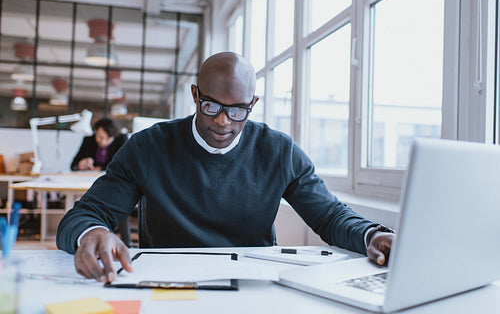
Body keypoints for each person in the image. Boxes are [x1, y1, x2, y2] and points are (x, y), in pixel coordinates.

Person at [57, 52, 394, 283]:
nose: (222, 121)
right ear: (194, 94)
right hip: (168, 283)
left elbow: (330, 217)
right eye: (211, 105)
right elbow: (81, 217)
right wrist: (93, 232)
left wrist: (371, 234)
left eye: (237, 111)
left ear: (253, 104)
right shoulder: (148, 147)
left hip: (254, 285)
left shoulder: (278, 151)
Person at [70, 117, 131, 246]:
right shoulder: (88, 140)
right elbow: (73, 164)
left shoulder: (121, 140)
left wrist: (99, 168)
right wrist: (80, 165)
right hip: (89, 183)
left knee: (118, 202)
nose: (102, 141)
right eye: (99, 137)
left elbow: (123, 164)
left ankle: (126, 242)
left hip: (113, 183)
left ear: (113, 136)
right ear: (95, 132)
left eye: (107, 139)